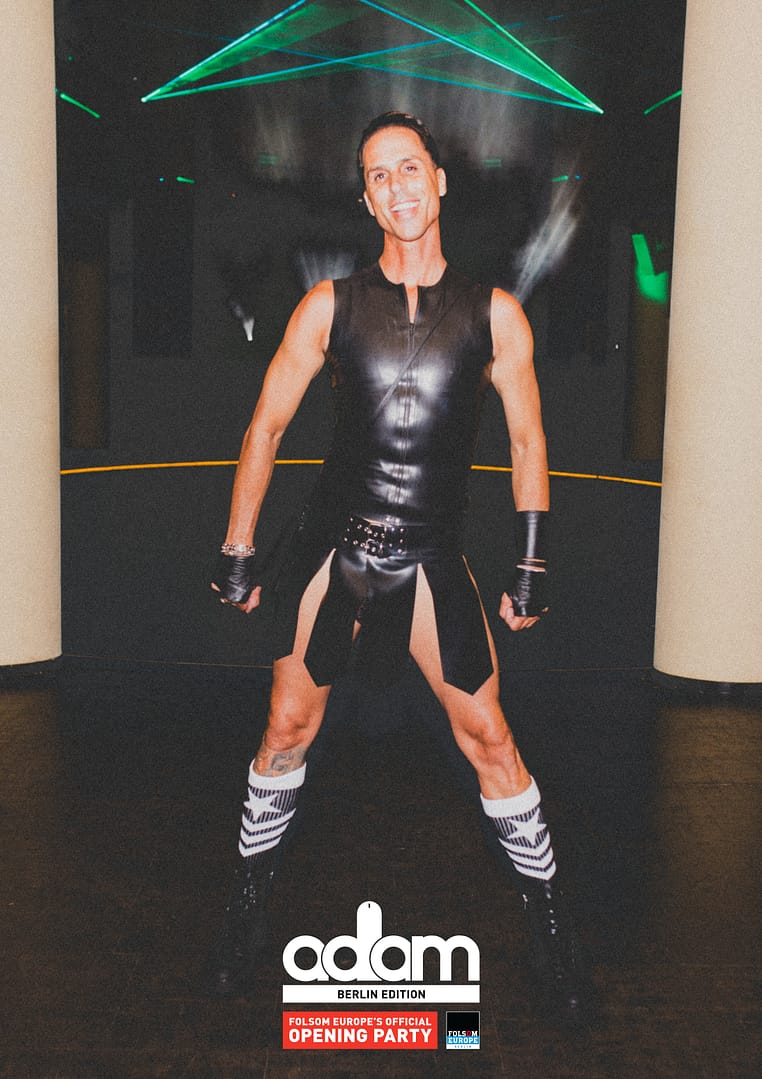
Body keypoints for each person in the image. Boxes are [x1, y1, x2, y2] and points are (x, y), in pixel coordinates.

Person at [209, 112, 591, 1024]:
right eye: (379, 176)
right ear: (367, 198)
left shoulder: (495, 314)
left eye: (410, 168)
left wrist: (532, 561)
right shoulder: (329, 306)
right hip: (333, 548)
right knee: (286, 728)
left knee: (491, 741)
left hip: (427, 555)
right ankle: (244, 912)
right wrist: (238, 546)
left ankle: (552, 933)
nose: (398, 187)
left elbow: (529, 441)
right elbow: (265, 426)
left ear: (439, 181)